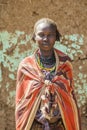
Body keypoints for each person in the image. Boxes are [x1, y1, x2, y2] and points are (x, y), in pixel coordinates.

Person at [15, 18, 81, 130]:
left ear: (56, 37)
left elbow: (70, 97)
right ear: (34, 37)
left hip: (60, 125)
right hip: (34, 125)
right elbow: (21, 103)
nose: (45, 39)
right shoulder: (26, 66)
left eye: (50, 35)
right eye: (41, 35)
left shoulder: (65, 64)